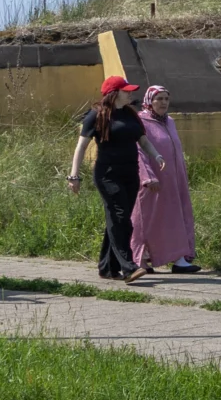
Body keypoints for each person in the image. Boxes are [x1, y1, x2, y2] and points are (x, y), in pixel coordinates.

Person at [68, 76, 146, 279]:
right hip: (108, 176)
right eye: (126, 90)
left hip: (131, 173)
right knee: (121, 218)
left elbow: (142, 139)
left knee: (118, 219)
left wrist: (157, 156)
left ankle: (107, 267)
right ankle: (129, 267)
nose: (130, 93)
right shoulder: (96, 115)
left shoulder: (130, 114)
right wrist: (74, 175)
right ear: (114, 93)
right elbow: (81, 146)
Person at [131, 85, 201, 275]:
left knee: (175, 218)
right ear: (149, 101)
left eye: (166, 99)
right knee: (150, 220)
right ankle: (144, 259)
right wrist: (147, 177)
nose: (163, 103)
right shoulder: (140, 121)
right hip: (153, 182)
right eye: (158, 99)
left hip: (174, 180)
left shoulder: (169, 121)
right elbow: (139, 151)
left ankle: (179, 259)